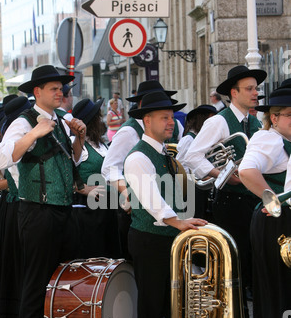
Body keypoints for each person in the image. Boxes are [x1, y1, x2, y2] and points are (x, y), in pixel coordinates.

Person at [0, 65, 87, 318]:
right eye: (53, 89)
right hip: (36, 209)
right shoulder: (23, 121)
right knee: (35, 278)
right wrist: (34, 131)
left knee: (64, 277)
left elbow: (70, 162)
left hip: (63, 208)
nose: (60, 93)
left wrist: (80, 139)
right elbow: (3, 158)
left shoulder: (60, 120)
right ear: (37, 92)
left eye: (62, 89)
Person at [123, 91, 207, 318]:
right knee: (151, 296)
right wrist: (180, 222)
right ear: (147, 121)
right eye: (164, 118)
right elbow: (151, 200)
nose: (171, 123)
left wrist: (185, 220)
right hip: (149, 236)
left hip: (168, 235)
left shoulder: (162, 152)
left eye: (171, 117)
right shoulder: (138, 156)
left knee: (177, 294)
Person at [184, 65, 267, 318]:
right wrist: (220, 173)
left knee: (253, 267)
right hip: (230, 203)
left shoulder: (254, 122)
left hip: (252, 201)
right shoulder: (219, 121)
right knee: (233, 269)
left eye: (256, 88)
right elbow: (192, 156)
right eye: (250, 89)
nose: (256, 93)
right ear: (234, 92)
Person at [239, 88, 291, 318]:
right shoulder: (269, 139)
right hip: (277, 224)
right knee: (277, 298)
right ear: (275, 117)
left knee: (286, 298)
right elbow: (246, 171)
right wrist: (276, 205)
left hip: (282, 223)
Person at [101, 80, 182, 259]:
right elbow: (109, 168)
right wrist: (130, 193)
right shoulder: (128, 131)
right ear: (142, 105)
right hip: (139, 213)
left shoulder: (174, 127)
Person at [0, 96, 31, 318]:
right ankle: (13, 315)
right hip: (13, 204)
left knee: (21, 261)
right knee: (13, 259)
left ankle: (19, 314)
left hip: (23, 204)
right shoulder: (8, 142)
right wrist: (13, 185)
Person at [71, 98, 121, 258]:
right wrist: (84, 189)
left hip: (108, 208)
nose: (102, 121)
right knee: (95, 255)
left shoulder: (100, 144)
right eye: (98, 118)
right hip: (90, 212)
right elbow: (68, 173)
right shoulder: (78, 145)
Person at [177, 104, 217, 223]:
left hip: (204, 188)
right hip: (192, 190)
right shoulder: (189, 139)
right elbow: (180, 167)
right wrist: (201, 176)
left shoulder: (205, 138)